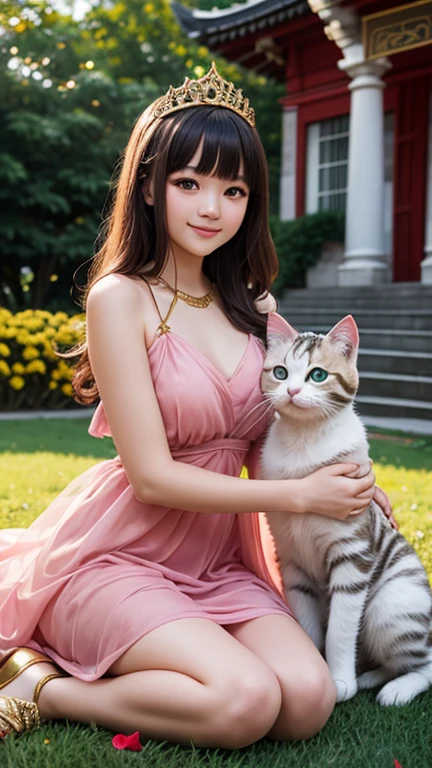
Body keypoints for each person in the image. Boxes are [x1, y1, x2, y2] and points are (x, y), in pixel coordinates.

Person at [0, 63, 394, 749]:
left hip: (217, 562)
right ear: (150, 187)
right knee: (242, 706)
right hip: (121, 553)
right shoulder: (120, 299)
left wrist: (355, 485)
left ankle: (176, 655)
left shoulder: (253, 308)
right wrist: (304, 498)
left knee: (304, 701)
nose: (212, 207)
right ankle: (47, 690)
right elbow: (150, 475)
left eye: (233, 189)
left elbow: (294, 421)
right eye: (189, 183)